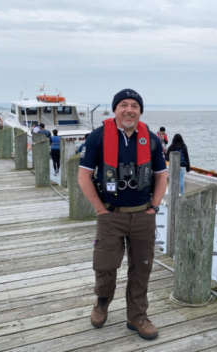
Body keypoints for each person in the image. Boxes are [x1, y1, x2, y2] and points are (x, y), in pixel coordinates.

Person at [78, 88, 167, 340]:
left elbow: (161, 176)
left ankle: (137, 316)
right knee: (104, 268)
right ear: (115, 109)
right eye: (124, 105)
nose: (129, 110)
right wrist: (100, 210)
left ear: (140, 111)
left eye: (135, 106)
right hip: (110, 215)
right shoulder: (97, 137)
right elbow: (83, 176)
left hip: (142, 216)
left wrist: (154, 207)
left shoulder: (150, 139)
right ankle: (102, 302)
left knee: (142, 268)